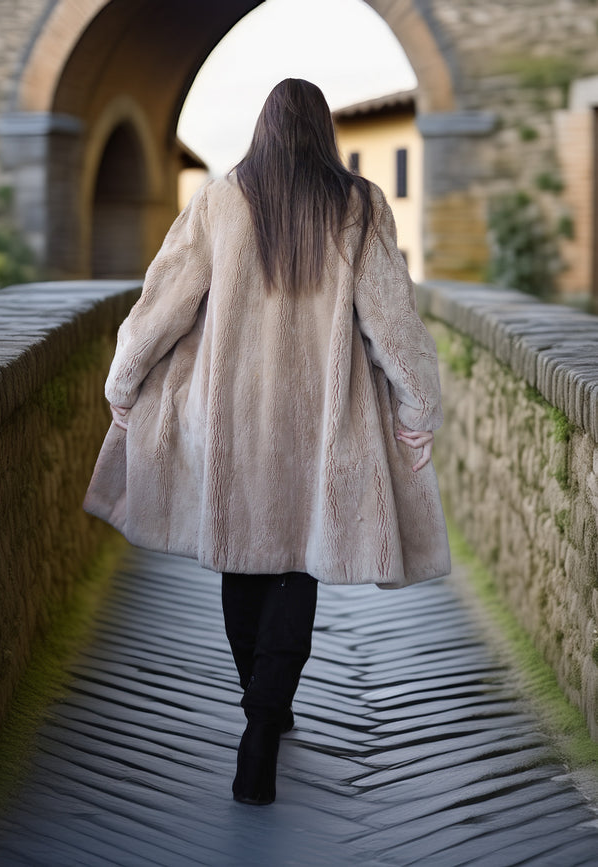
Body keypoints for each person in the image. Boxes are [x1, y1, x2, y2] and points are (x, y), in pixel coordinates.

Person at [84, 78, 450, 806]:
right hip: (320, 430)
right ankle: (264, 719)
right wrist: (419, 407)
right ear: (323, 134)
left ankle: (260, 705)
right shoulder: (360, 205)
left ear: (262, 130)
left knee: (243, 561)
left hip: (232, 426)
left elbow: (160, 305)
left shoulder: (221, 202)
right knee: (294, 566)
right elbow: (393, 322)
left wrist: (122, 385)